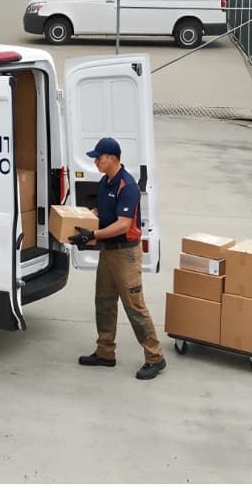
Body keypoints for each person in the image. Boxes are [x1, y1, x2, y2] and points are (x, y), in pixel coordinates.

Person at [70, 137, 165, 380]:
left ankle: (155, 358)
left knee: (134, 306)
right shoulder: (106, 182)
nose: (95, 162)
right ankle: (105, 353)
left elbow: (123, 225)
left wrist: (93, 235)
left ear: (112, 158)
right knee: (104, 302)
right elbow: (102, 211)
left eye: (98, 158)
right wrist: (83, 219)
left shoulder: (127, 186)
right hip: (108, 252)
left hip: (126, 255)